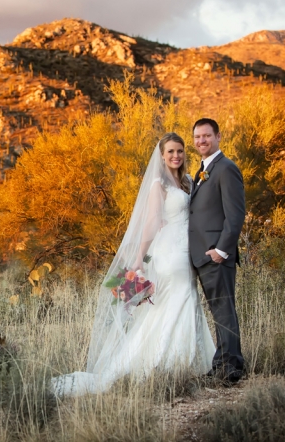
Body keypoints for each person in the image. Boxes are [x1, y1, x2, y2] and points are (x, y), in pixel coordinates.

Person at [52, 133, 215, 397]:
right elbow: (151, 222)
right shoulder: (158, 184)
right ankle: (169, 362)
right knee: (180, 297)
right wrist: (139, 257)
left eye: (180, 151)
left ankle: (187, 362)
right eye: (171, 152)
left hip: (187, 251)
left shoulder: (185, 181)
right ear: (162, 155)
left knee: (183, 300)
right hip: (170, 253)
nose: (176, 156)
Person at [189, 118, 246, 385]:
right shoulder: (203, 169)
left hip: (215, 255)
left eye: (207, 136)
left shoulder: (226, 168)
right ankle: (222, 363)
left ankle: (231, 368)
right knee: (219, 311)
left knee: (224, 311)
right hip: (202, 256)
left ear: (218, 137)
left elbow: (235, 216)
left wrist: (220, 251)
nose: (202, 141)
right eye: (198, 137)